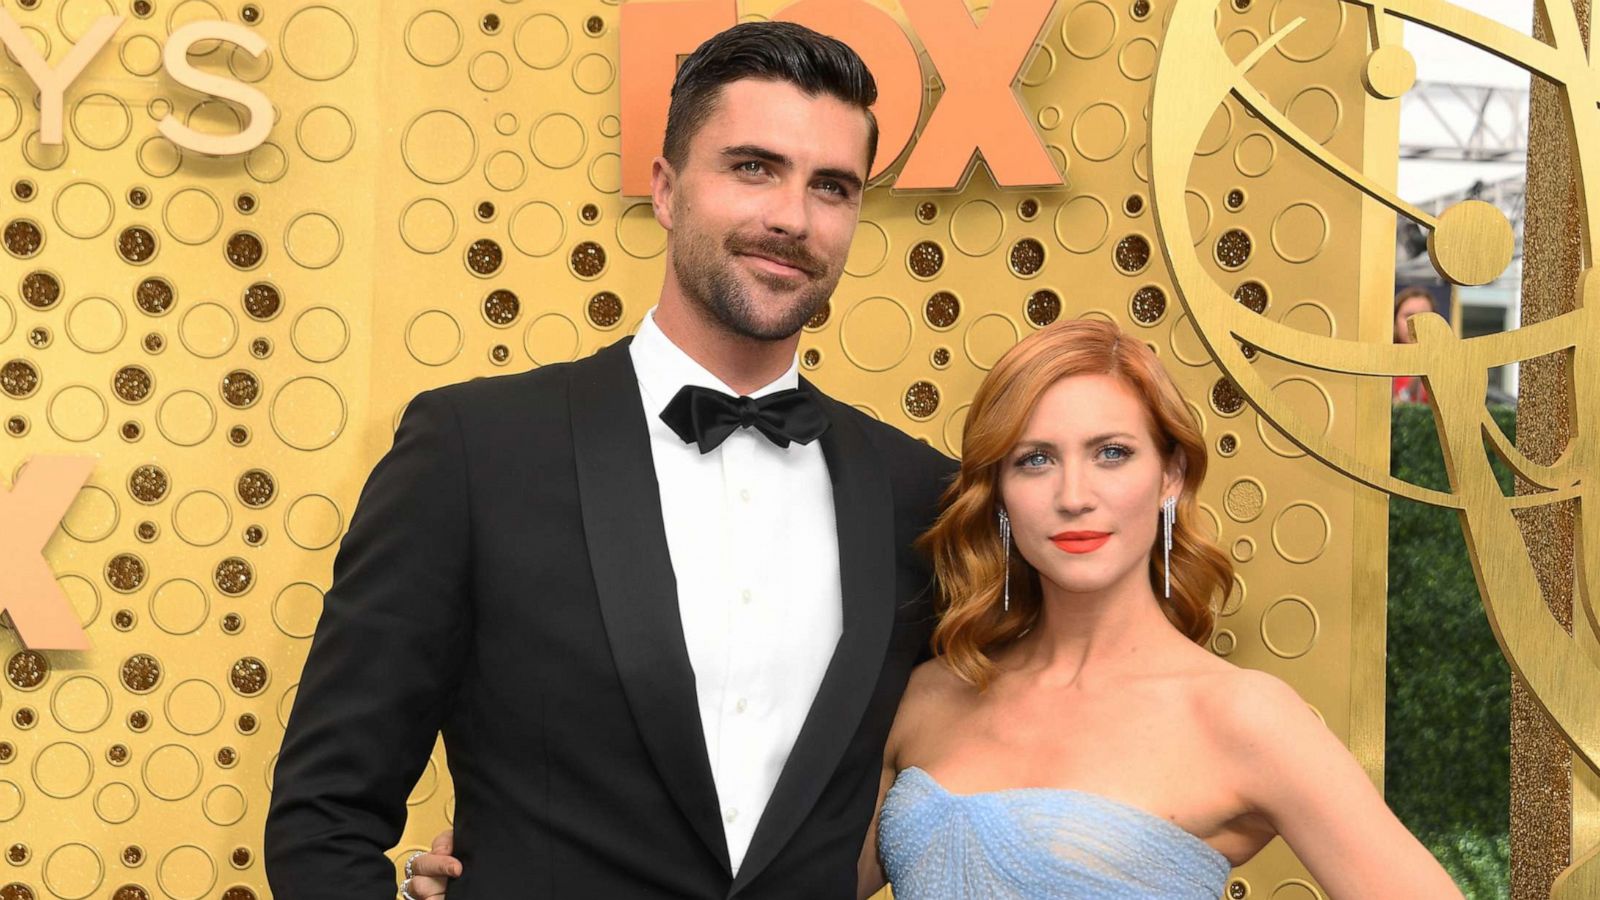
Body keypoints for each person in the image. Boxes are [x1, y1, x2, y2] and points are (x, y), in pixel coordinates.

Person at [411, 321, 1464, 899]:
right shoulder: (931, 694)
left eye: (1112, 454)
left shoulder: (1242, 716)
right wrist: (528, 858)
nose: (1075, 495)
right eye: (1033, 460)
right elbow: (777, 884)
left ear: (1170, 478)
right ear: (997, 494)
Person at [264, 21, 954, 900]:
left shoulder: (919, 496)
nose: (791, 217)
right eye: (752, 168)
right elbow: (325, 811)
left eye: (832, 187)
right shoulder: (475, 452)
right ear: (666, 190)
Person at [1392, 285, 1436, 404]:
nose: (1415, 323)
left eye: (1423, 316)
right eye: (1408, 316)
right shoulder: (1382, 363)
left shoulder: (1447, 365)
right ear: (1395, 321)